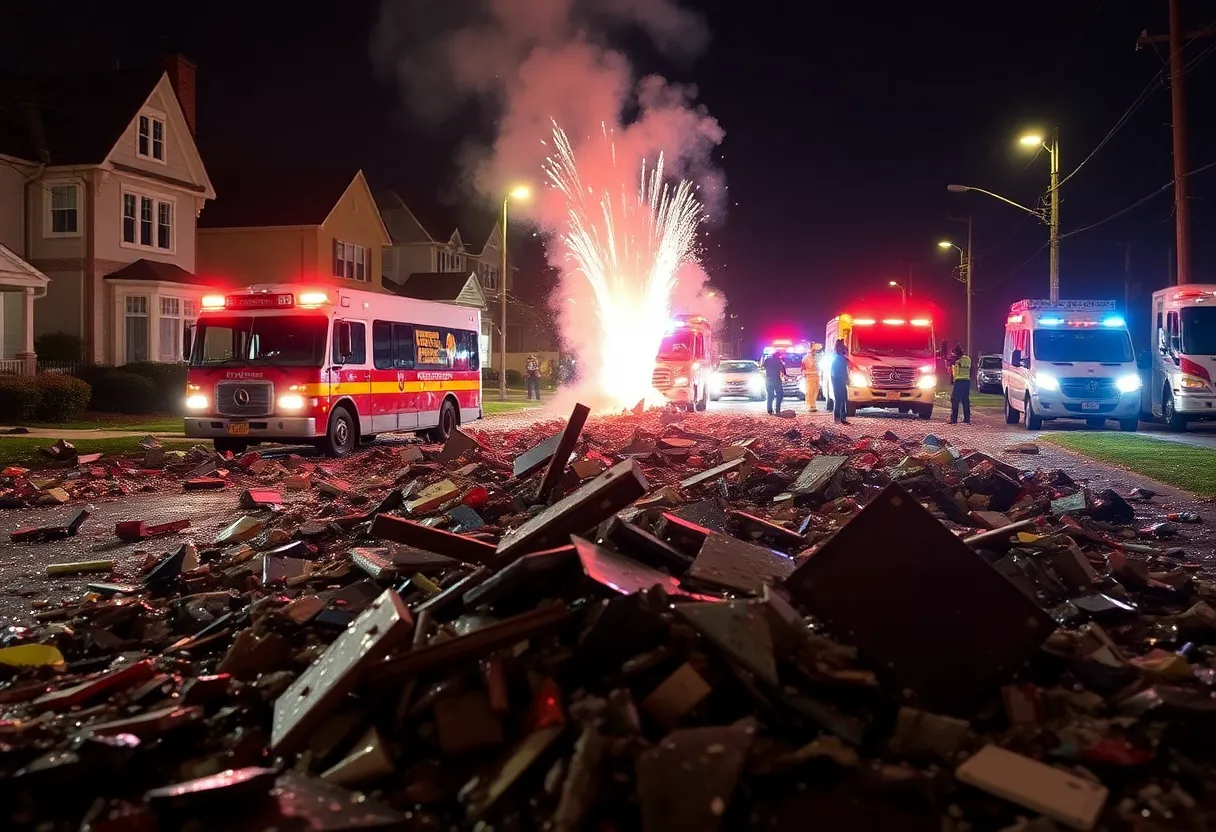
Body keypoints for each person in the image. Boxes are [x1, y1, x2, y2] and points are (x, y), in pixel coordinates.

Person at [948, 345, 972, 424]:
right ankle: (967, 419)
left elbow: (955, 372)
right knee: (965, 400)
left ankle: (953, 419)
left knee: (955, 400)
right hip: (967, 381)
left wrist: (952, 364)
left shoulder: (956, 361)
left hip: (958, 381)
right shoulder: (968, 359)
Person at [830, 339, 850, 424]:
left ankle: (841, 418)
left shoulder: (839, 359)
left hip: (839, 382)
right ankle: (838, 418)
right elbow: (840, 373)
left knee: (842, 400)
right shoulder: (839, 360)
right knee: (840, 400)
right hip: (839, 382)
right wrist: (845, 379)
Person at [762, 349, 786, 415]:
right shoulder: (779, 361)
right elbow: (783, 370)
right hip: (776, 380)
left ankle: (769, 410)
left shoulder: (767, 360)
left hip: (768, 379)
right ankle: (777, 410)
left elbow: (763, 366)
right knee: (780, 394)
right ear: (778, 356)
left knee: (770, 395)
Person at [802, 344, 823, 412]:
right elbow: (803, 368)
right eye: (813, 350)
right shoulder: (806, 358)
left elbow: (820, 365)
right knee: (810, 391)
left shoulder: (817, 357)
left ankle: (813, 405)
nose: (814, 352)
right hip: (809, 376)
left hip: (816, 376)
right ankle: (809, 406)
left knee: (815, 391)